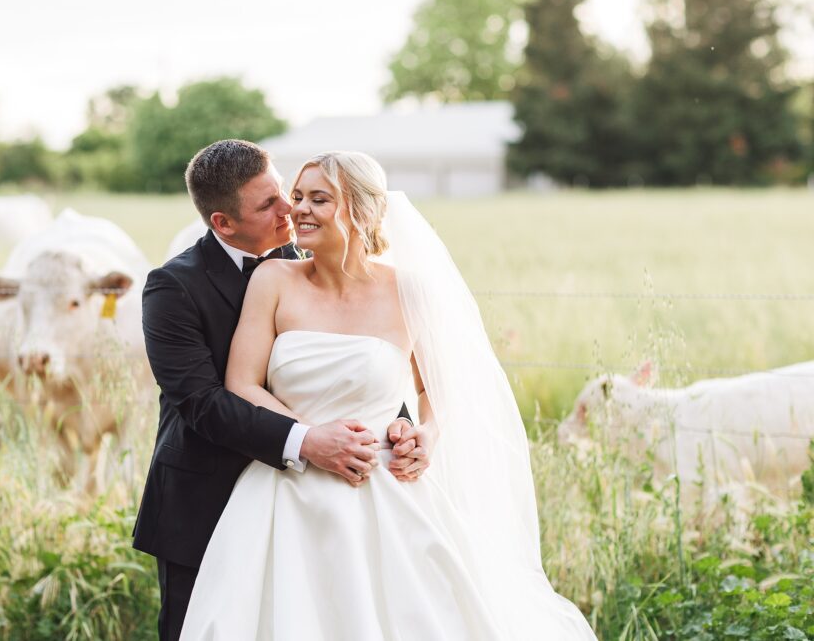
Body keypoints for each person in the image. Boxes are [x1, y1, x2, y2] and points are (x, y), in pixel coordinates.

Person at [179, 151, 598, 639]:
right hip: (287, 489)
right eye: (297, 197)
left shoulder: (410, 291)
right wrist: (310, 437)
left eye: (319, 199)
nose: (299, 210)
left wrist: (425, 433)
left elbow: (438, 388)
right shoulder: (273, 280)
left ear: (362, 210)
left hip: (388, 490)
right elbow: (242, 385)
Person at [133, 140, 419, 641]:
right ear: (224, 223)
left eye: (283, 191)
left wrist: (399, 423)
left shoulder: (310, 255)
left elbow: (365, 361)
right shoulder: (172, 288)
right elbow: (203, 403)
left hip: (327, 495)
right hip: (206, 497)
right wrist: (307, 441)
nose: (292, 208)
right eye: (269, 204)